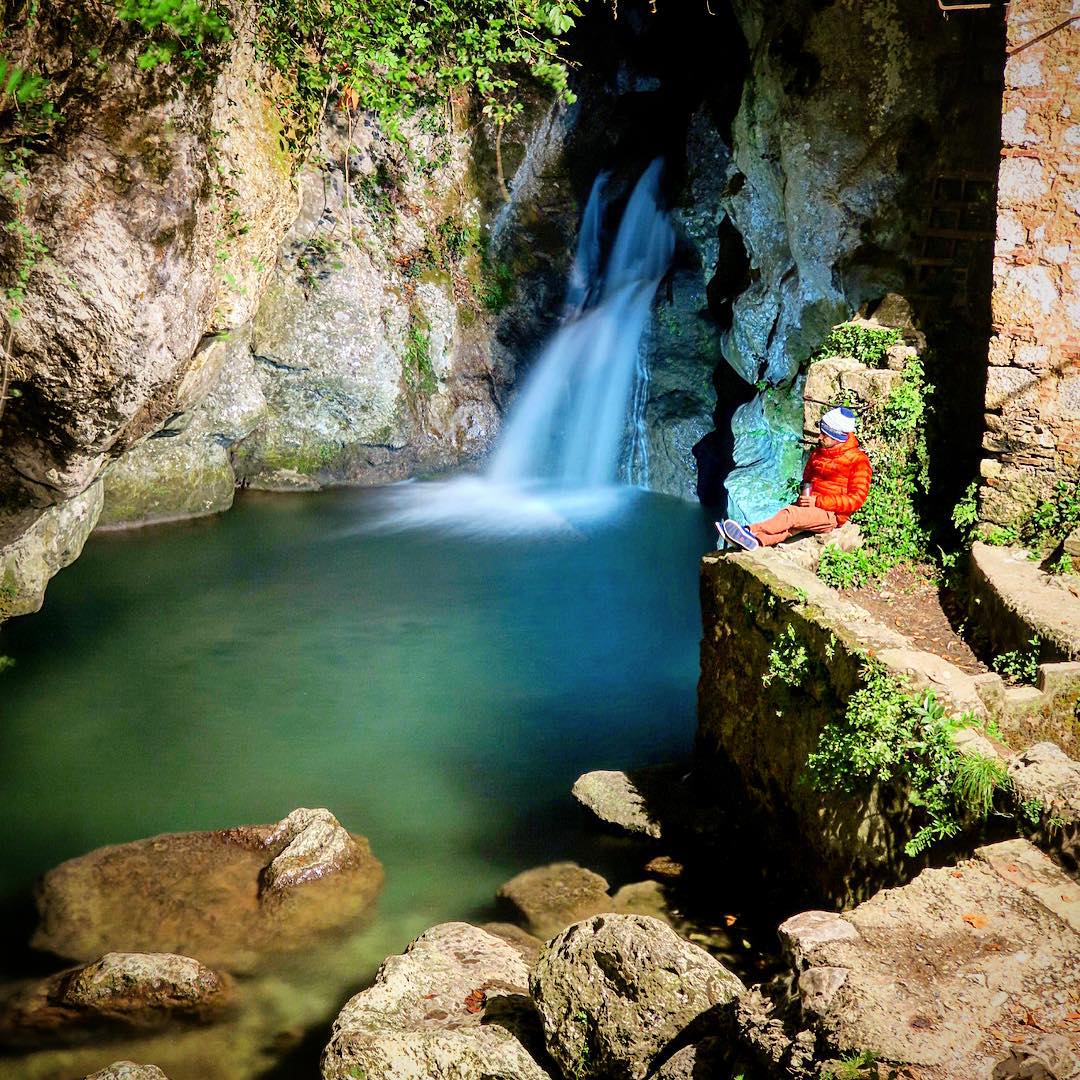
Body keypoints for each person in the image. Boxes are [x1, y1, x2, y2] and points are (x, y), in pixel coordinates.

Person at [719, 407, 872, 550]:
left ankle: (748, 531)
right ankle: (756, 542)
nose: (820, 437)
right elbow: (807, 477)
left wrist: (818, 502)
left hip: (831, 514)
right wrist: (805, 495)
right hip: (811, 504)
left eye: (825, 434)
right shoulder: (820, 452)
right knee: (789, 529)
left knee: (791, 515)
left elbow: (856, 499)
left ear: (837, 437)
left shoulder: (858, 460)